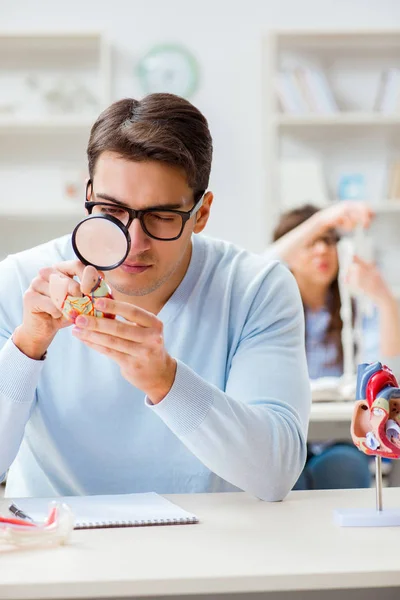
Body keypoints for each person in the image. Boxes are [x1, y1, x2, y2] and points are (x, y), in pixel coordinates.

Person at [0, 94, 311, 500]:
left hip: (209, 549)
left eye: (162, 217)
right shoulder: (22, 281)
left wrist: (166, 382)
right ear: (88, 194)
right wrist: (26, 349)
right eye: (111, 211)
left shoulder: (255, 288)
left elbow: (275, 475)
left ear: (201, 213)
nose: (133, 243)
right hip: (59, 544)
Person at [270, 202, 400, 489]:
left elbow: (386, 372)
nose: (322, 251)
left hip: (340, 437)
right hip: (285, 437)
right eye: (311, 242)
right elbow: (259, 266)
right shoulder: (270, 310)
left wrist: (385, 300)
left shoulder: (355, 311)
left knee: (344, 467)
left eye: (329, 242)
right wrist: (321, 220)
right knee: (281, 476)